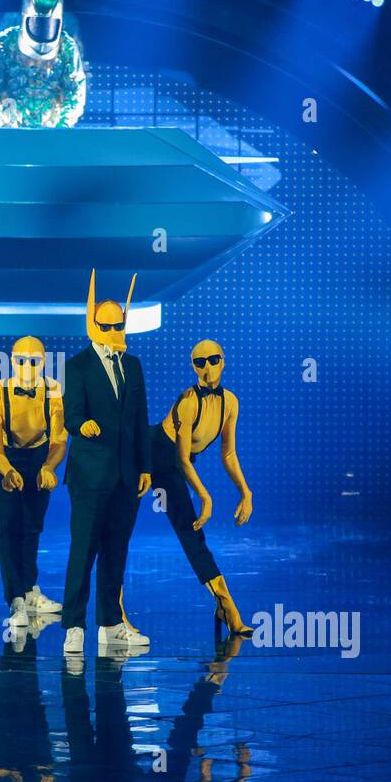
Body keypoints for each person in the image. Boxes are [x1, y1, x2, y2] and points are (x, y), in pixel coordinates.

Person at [60, 270, 151, 654]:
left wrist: (145, 467)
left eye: (119, 324)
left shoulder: (132, 365)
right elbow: (70, 415)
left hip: (127, 476)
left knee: (117, 550)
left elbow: (140, 420)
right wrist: (85, 424)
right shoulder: (78, 365)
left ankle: (111, 624)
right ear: (93, 326)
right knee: (83, 550)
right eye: (107, 324)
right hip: (90, 474)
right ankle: (74, 627)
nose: (114, 330)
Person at [149, 340, 255, 635]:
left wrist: (245, 492)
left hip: (175, 463)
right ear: (193, 366)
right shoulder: (188, 401)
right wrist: (205, 496)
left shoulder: (230, 402)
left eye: (213, 360)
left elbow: (229, 454)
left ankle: (226, 605)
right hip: (151, 452)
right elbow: (182, 459)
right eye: (200, 362)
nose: (207, 367)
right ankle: (112, 615)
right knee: (117, 528)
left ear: (223, 362)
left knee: (190, 530)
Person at [0, 336, 67, 629]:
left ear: (44, 362)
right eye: (21, 360)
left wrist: (49, 466)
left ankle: (30, 591)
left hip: (39, 457)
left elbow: (58, 439)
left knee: (32, 525)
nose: (28, 367)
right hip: (4, 458)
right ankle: (15, 598)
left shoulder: (54, 391)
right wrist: (6, 470)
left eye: (35, 361)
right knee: (9, 524)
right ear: (11, 361)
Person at [0, 0, 86, 128]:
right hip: (10, 130)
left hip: (50, 132)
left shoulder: (67, 47)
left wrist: (61, 129)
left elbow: (74, 93)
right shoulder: (6, 42)